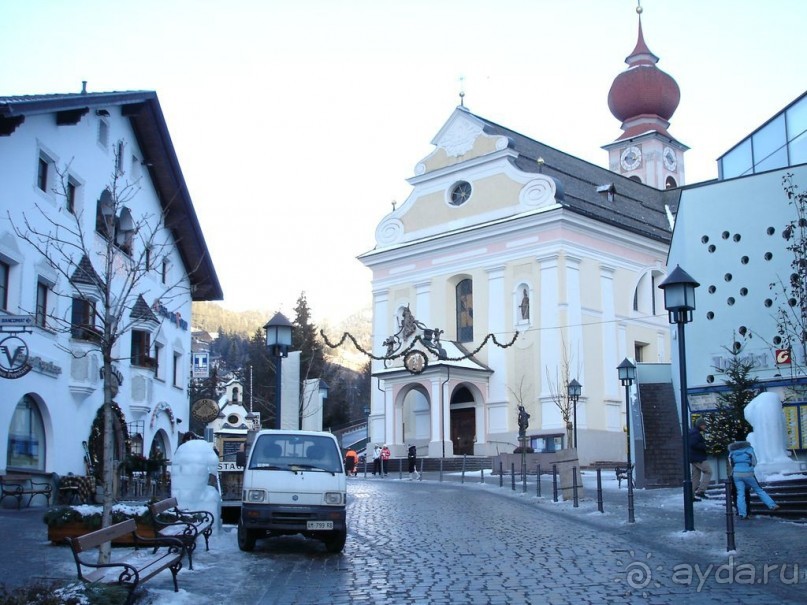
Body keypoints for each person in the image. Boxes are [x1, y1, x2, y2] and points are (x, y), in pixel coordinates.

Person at [728, 439, 779, 519]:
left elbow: (731, 463)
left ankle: (742, 514)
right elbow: (754, 461)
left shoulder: (732, 451)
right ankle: (772, 505)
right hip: (748, 473)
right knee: (758, 490)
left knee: (740, 493)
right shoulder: (749, 449)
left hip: (736, 474)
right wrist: (750, 468)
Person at [688, 418, 712, 501]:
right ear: (700, 425)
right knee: (708, 472)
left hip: (693, 457)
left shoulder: (692, 432)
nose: (705, 427)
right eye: (704, 425)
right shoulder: (695, 433)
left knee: (695, 477)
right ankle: (701, 491)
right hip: (699, 457)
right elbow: (693, 444)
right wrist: (704, 446)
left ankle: (690, 496)